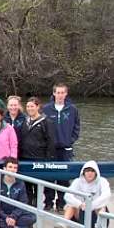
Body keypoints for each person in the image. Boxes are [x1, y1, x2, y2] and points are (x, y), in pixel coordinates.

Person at [44, 82, 81, 212]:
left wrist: (70, 140)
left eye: (62, 93)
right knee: (49, 176)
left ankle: (61, 203)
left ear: (66, 94)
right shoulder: (46, 109)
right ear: (54, 93)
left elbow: (77, 127)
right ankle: (48, 203)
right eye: (58, 92)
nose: (60, 95)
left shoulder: (72, 109)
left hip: (66, 149)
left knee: (64, 177)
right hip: (50, 149)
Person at [55, 160, 111, 228]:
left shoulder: (102, 181)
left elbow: (106, 195)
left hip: (96, 214)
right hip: (81, 213)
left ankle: (101, 227)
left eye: (92, 171)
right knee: (70, 205)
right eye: (87, 171)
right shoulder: (77, 181)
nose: (90, 173)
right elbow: (67, 196)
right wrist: (80, 204)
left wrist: (92, 205)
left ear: (96, 172)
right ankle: (64, 224)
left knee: (101, 206)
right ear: (83, 172)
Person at [0, 157, 35, 228]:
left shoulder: (21, 183)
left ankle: (4, 226)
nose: (12, 170)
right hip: (0, 213)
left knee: (33, 216)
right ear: (4, 168)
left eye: (15, 168)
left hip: (15, 214)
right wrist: (5, 217)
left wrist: (13, 216)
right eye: (10, 167)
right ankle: (17, 227)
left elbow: (23, 203)